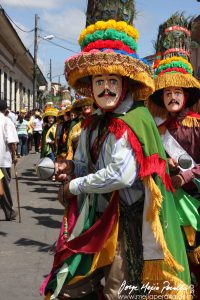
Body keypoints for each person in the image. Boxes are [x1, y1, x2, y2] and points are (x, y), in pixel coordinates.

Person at [41, 18, 191, 300]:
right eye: (100, 81)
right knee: (71, 286)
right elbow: (86, 165)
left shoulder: (134, 119)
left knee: (117, 292)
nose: (106, 88)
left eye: (112, 81)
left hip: (127, 224)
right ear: (91, 86)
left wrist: (74, 186)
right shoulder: (92, 124)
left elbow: (120, 175)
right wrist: (69, 167)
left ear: (124, 84)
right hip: (97, 220)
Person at [148, 13, 200, 299]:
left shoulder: (197, 125)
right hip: (168, 206)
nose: (171, 97)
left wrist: (185, 174)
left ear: (185, 94)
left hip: (195, 202)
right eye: (166, 92)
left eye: (177, 91)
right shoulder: (157, 130)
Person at [0, 100, 19, 221]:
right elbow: (12, 142)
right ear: (6, 110)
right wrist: (14, 156)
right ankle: (9, 212)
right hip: (1, 160)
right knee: (3, 186)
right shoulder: (6, 121)